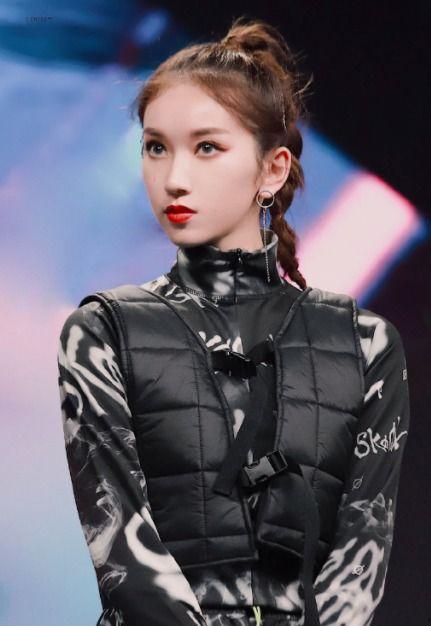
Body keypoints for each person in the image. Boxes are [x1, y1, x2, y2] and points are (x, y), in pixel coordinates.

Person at [57, 16, 410, 626]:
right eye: (156, 146)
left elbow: (360, 563)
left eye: (207, 147)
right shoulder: (102, 333)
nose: (174, 179)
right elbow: (123, 555)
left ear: (273, 170)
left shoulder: (367, 347)